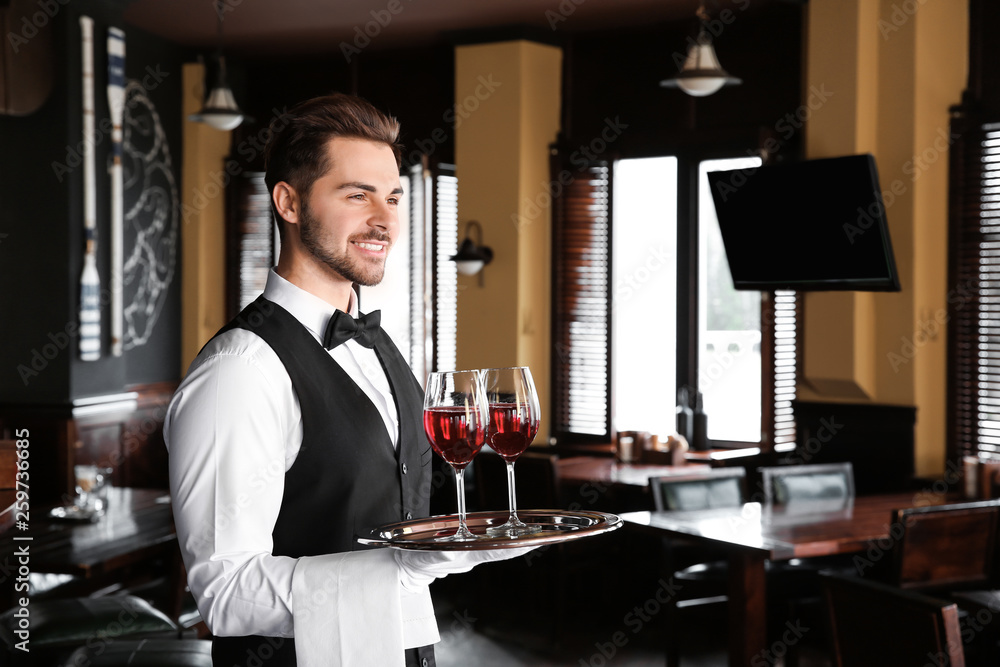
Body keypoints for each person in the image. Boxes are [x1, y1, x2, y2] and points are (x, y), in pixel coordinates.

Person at [164, 93, 529, 667]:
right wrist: (400, 567)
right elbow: (224, 592)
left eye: (392, 197)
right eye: (357, 196)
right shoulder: (239, 370)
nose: (384, 220)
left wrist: (438, 551)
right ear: (288, 201)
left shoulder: (378, 344)